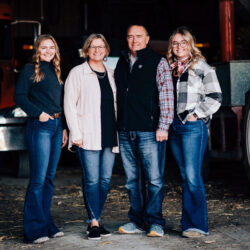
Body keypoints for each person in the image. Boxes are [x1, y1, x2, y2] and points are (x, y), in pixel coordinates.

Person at [115, 25, 174, 237]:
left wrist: (163, 126)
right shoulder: (121, 62)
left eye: (139, 36)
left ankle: (155, 222)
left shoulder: (158, 62)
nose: (134, 40)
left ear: (147, 39)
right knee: (132, 181)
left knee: (154, 180)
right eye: (130, 36)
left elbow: (166, 95)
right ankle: (136, 220)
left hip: (150, 131)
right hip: (125, 130)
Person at [167, 27, 222, 238]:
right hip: (174, 127)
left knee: (192, 176)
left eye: (183, 43)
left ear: (190, 45)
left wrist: (196, 114)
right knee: (184, 175)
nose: (179, 46)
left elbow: (216, 96)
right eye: (175, 43)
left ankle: (197, 225)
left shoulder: (201, 67)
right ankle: (187, 223)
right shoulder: (171, 68)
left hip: (192, 127)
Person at [64, 34, 118, 240]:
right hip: (87, 134)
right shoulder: (77, 73)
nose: (97, 50)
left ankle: (97, 218)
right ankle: (93, 222)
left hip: (109, 134)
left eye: (101, 46)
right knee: (92, 180)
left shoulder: (112, 74)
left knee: (105, 180)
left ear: (106, 50)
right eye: (93, 47)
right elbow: (69, 104)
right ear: (86, 51)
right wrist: (75, 133)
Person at [14, 34, 68, 244]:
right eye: (44, 48)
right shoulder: (30, 70)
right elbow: (19, 97)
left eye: (51, 47)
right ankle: (34, 230)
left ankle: (46, 223)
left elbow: (58, 102)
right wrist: (38, 113)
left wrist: (62, 127)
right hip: (40, 126)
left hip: (55, 126)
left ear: (56, 50)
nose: (48, 51)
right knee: (38, 179)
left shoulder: (56, 71)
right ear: (37, 50)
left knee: (49, 179)